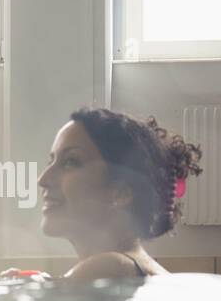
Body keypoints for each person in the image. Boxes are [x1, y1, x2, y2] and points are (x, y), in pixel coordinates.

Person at [13, 108, 202, 282]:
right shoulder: (128, 268)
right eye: (51, 161)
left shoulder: (109, 268)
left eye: (70, 162)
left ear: (121, 192)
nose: (42, 179)